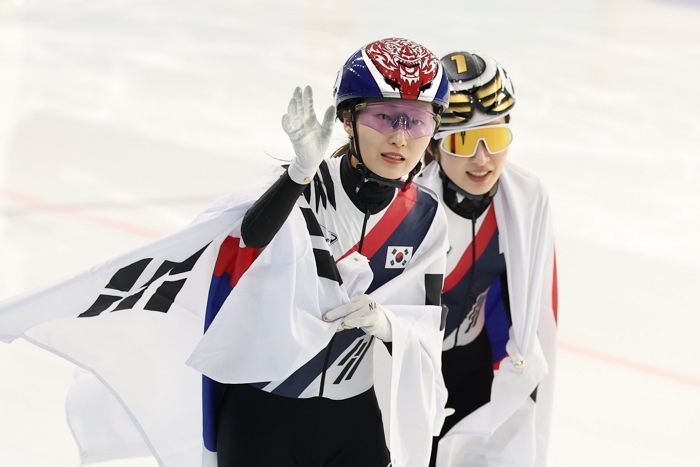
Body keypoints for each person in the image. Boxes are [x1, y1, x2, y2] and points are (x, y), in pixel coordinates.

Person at [211, 37, 452, 467]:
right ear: (347, 118)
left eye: (415, 121)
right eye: (383, 117)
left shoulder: (427, 217)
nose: (399, 137)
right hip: (263, 412)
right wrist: (299, 174)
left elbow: (427, 329)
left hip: (351, 417)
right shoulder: (302, 186)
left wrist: (388, 322)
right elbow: (247, 243)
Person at [416, 51, 558, 467]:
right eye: (462, 141)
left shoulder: (526, 199)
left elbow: (525, 299)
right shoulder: (412, 210)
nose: (482, 159)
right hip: (417, 373)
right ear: (435, 144)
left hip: (478, 368)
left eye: (493, 140)